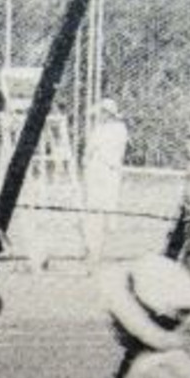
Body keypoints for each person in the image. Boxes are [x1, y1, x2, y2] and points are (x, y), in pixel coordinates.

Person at [82, 97, 129, 265]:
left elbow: (89, 151)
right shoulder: (121, 129)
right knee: (105, 209)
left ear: (107, 114)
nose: (100, 115)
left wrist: (85, 163)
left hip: (102, 170)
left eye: (102, 112)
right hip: (109, 171)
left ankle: (93, 247)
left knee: (97, 210)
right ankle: (96, 245)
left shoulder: (103, 130)